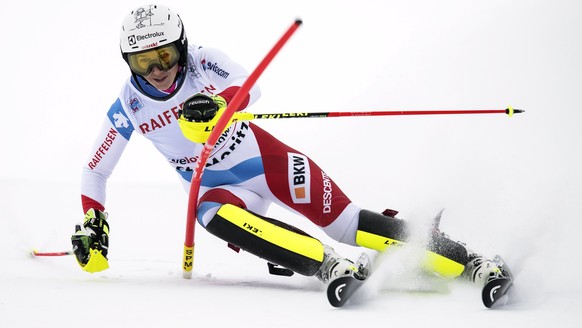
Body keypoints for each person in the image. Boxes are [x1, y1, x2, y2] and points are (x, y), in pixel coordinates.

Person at [71, 3, 511, 303]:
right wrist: (95, 221)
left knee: (348, 224)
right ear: (127, 61)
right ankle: (327, 266)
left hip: (266, 163)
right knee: (210, 215)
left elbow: (250, 84)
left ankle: (471, 263)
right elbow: (96, 170)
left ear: (182, 46)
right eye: (143, 62)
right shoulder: (129, 104)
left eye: (165, 56)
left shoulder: (204, 61)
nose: (158, 71)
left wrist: (222, 104)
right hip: (217, 189)